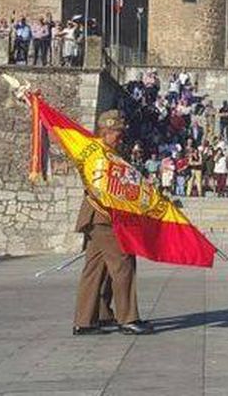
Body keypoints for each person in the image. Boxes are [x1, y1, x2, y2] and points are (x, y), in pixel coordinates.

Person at [73, 111, 148, 336]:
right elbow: (101, 186)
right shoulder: (98, 154)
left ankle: (89, 319)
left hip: (98, 219)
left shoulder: (108, 152)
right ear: (105, 131)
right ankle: (128, 318)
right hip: (104, 217)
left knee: (97, 269)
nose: (120, 137)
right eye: (117, 133)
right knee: (123, 264)